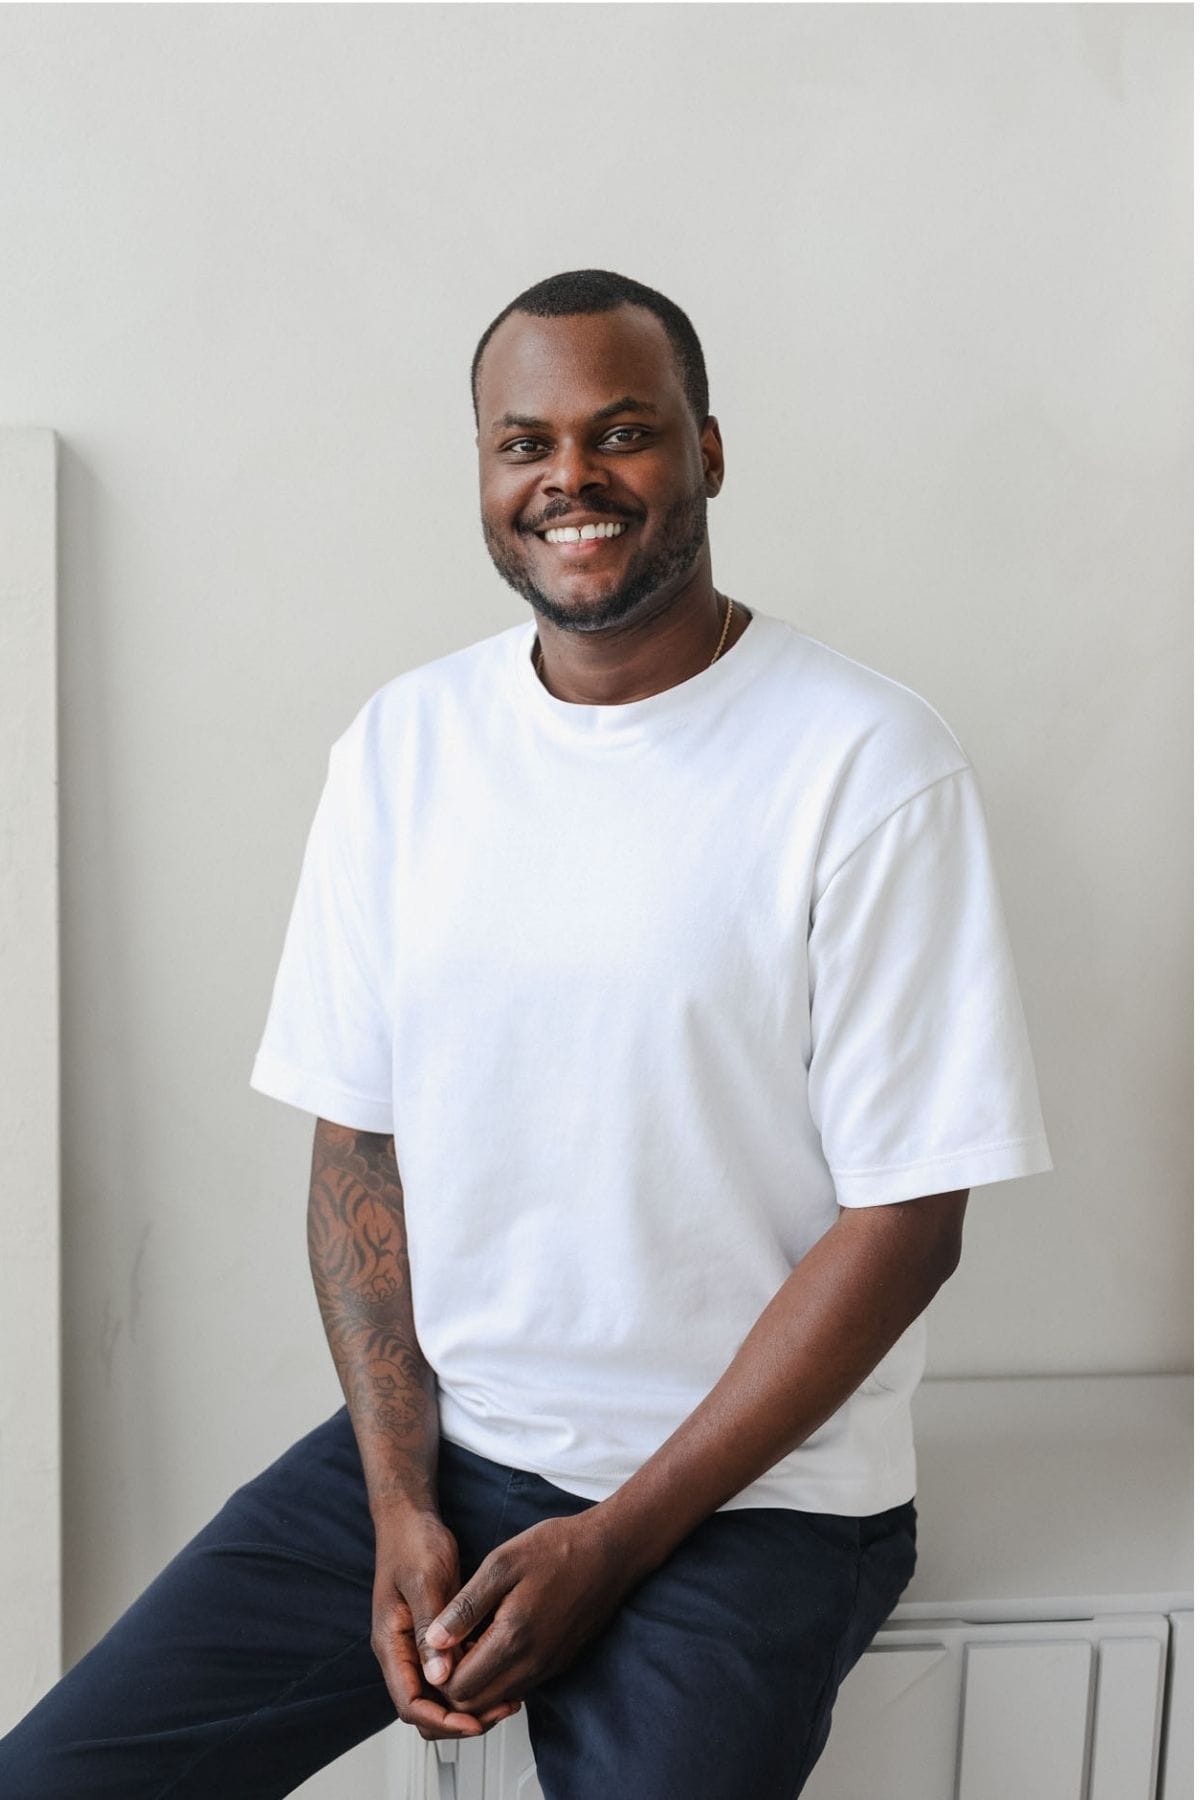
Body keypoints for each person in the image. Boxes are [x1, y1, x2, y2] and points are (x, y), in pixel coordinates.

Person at [0, 268, 1053, 1798]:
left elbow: (909, 1221)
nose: (571, 476)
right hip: (462, 1459)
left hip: (755, 1503)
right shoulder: (404, 747)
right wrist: (397, 1503)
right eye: (524, 442)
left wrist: (616, 1540)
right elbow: (358, 1144)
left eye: (622, 432)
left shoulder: (867, 764)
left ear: (706, 450)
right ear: (487, 473)